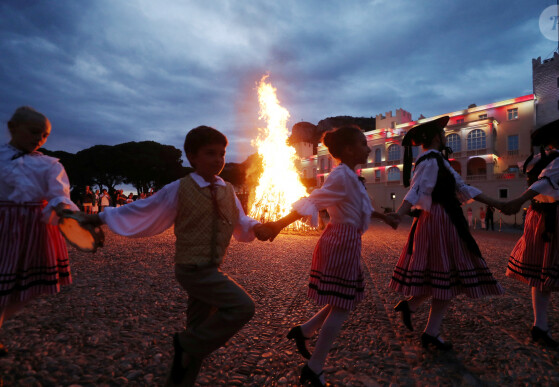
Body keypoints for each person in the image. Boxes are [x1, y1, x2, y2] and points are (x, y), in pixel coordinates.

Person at [79, 126, 271, 385]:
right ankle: (186, 344)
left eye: (222, 154)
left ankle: (180, 379)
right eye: (210, 153)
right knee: (242, 307)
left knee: (200, 329)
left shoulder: (227, 190)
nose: (218, 159)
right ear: (192, 156)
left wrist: (257, 228)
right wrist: (97, 217)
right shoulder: (179, 189)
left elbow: (241, 220)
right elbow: (142, 208)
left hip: (211, 268)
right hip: (192, 270)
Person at [263, 126, 396, 386]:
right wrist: (278, 225)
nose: (368, 149)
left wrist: (384, 216)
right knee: (344, 303)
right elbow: (314, 200)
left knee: (342, 299)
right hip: (340, 242)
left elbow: (360, 205)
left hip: (347, 241)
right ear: (347, 149)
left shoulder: (350, 176)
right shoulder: (341, 176)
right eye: (362, 143)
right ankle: (314, 366)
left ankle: (305, 330)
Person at [387, 116, 504, 350]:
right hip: (440, 220)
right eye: (442, 133)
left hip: (443, 219)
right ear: (434, 137)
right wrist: (399, 214)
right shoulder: (431, 160)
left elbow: (462, 187)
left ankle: (417, 314)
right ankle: (429, 330)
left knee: (443, 277)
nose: (444, 135)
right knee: (447, 276)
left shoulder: (438, 159)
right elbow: (417, 188)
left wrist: (498, 203)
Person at [0, 106, 79, 356]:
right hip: (3, 226)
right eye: (34, 132)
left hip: (34, 227)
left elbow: (59, 194)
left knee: (23, 289)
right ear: (12, 127)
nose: (40, 139)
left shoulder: (49, 164)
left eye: (45, 135)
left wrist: (66, 211)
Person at [503, 116, 559, 348]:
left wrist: (521, 201)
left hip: (538, 215)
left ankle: (541, 324)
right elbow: (546, 181)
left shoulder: (536, 159)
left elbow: (540, 180)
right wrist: (518, 200)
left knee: (542, 269)